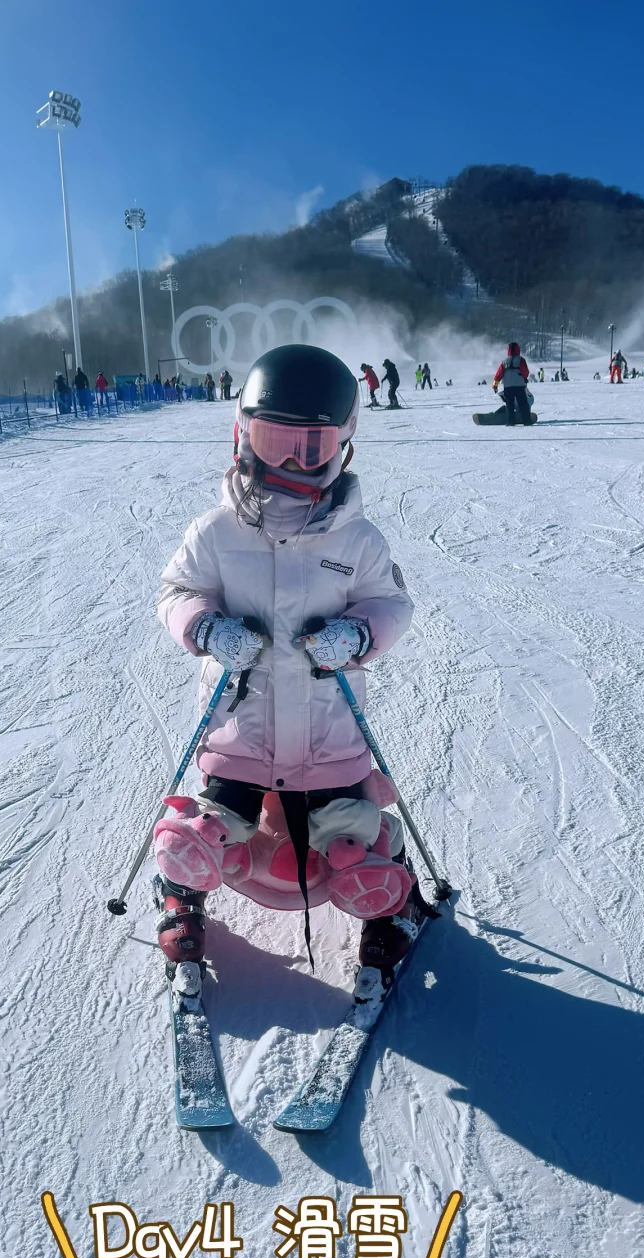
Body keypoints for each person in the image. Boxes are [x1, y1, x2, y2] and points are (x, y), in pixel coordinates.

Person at [153, 343, 424, 1012]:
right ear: (242, 434)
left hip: (331, 742)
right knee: (218, 819)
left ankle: (379, 887)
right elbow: (176, 589)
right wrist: (206, 628)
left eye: (311, 445)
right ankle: (186, 877)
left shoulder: (357, 541)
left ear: (343, 447)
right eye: (274, 441)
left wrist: (358, 634)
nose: (291, 464)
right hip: (240, 735)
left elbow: (393, 603)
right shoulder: (217, 532)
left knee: (345, 833)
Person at [492, 342, 533, 425]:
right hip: (520, 386)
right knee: (523, 403)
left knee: (509, 404)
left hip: (508, 386)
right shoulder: (521, 360)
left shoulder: (504, 362)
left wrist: (495, 385)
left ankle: (510, 421)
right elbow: (525, 372)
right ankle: (526, 421)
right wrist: (524, 377)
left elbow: (498, 375)